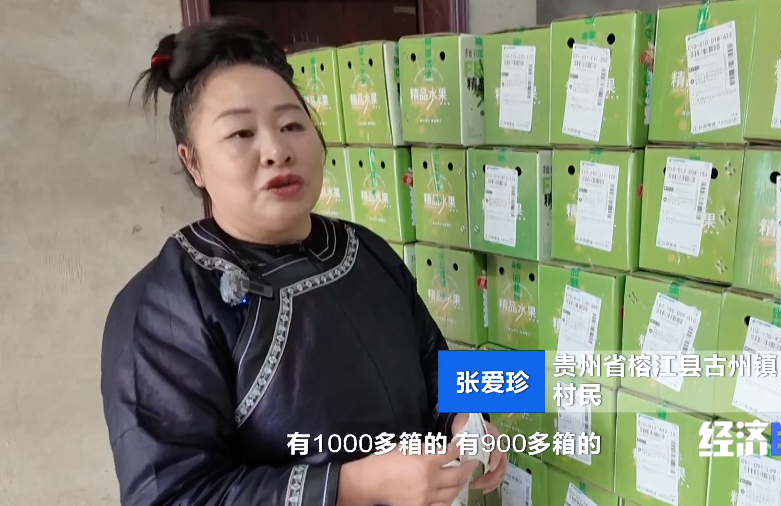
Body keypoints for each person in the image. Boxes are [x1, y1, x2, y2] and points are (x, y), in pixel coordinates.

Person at [100, 16, 508, 506]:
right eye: (240, 133)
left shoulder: (364, 250)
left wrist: (467, 419)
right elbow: (173, 495)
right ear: (193, 162)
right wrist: (354, 486)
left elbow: (434, 365)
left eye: (292, 125)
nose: (276, 150)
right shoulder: (163, 308)